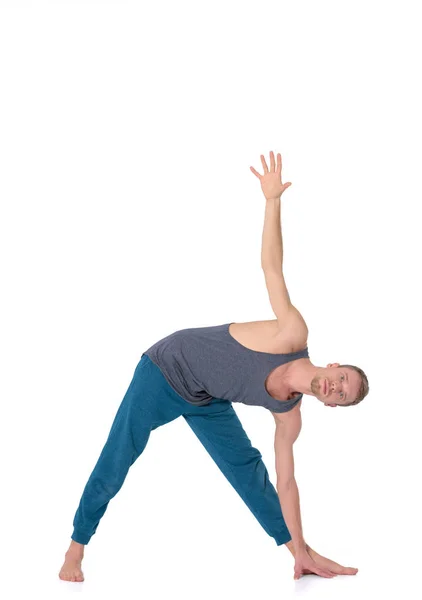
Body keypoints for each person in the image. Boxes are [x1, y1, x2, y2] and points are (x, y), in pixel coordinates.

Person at [59, 151, 369, 583]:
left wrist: (300, 545)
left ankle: (299, 552)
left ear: (332, 405)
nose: (337, 387)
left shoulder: (290, 416)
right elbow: (272, 268)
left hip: (206, 397)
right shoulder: (292, 334)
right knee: (118, 457)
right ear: (334, 366)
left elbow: (286, 483)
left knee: (248, 470)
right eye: (343, 378)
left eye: (342, 394)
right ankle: (76, 549)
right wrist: (272, 201)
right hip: (164, 369)